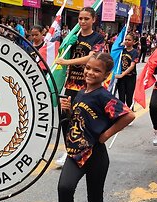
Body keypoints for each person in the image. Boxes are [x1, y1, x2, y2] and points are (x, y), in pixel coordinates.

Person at [54, 52, 135, 202]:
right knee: (64, 188)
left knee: (94, 199)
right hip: (75, 153)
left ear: (106, 74)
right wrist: (69, 112)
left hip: (96, 155)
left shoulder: (103, 96)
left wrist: (106, 134)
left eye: (97, 70)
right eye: (88, 68)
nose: (90, 72)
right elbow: (79, 122)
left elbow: (129, 115)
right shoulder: (82, 92)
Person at [54, 7, 105, 167]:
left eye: (86, 19)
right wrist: (64, 46)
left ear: (93, 20)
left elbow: (91, 58)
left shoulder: (98, 38)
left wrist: (67, 62)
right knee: (65, 117)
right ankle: (70, 149)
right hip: (71, 83)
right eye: (80, 19)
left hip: (88, 86)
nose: (82, 22)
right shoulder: (73, 36)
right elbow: (63, 54)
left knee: (84, 118)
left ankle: (86, 149)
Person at [115, 33, 139, 109]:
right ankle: (122, 116)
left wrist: (123, 74)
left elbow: (132, 66)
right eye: (126, 39)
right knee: (121, 98)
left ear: (134, 42)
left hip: (130, 78)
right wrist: (121, 45)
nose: (127, 41)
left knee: (129, 98)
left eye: (129, 40)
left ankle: (130, 115)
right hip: (121, 78)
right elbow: (115, 50)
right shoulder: (122, 51)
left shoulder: (135, 52)